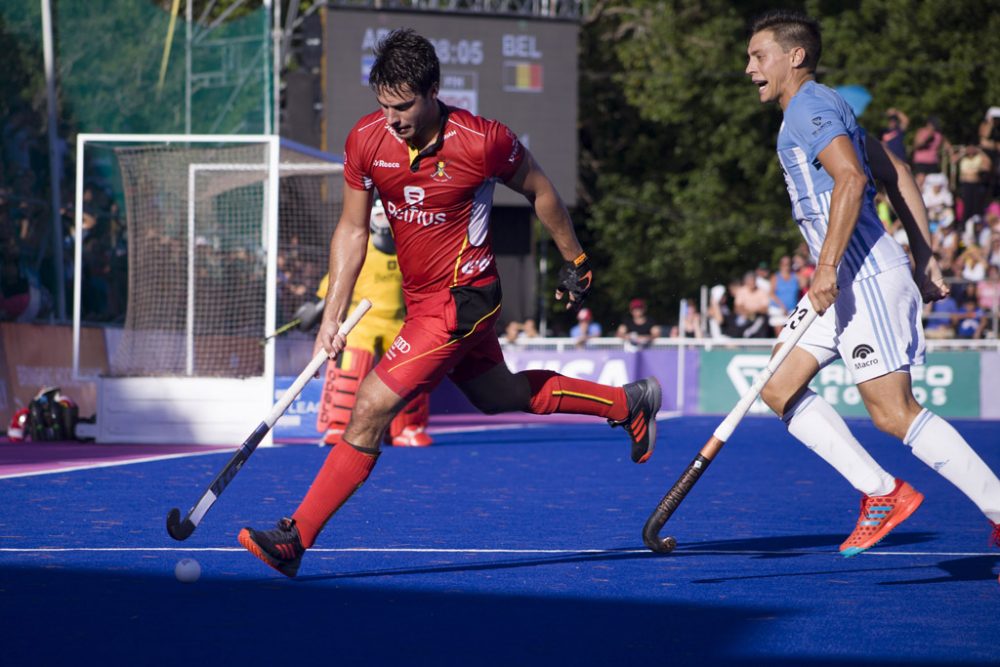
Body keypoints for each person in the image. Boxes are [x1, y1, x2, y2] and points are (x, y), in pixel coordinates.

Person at [238, 29, 662, 577]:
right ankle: (626, 403)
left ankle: (296, 538)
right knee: (497, 395)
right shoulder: (366, 140)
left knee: (369, 408)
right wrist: (334, 312)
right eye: (383, 106)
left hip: (465, 296)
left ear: (434, 89)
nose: (392, 119)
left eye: (404, 105)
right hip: (423, 302)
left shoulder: (483, 141)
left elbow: (541, 190)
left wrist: (576, 262)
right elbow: (351, 229)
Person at [745, 10, 1000, 559]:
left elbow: (855, 178)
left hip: (860, 277)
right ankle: (881, 492)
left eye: (757, 55)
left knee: (892, 413)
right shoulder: (829, 106)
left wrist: (829, 266)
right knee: (776, 387)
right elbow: (898, 172)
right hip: (842, 280)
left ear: (795, 57)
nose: (749, 69)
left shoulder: (810, 106)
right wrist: (926, 256)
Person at [314, 198, 433, 448]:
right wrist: (315, 311)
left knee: (412, 366)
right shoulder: (361, 249)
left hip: (397, 320)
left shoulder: (406, 250)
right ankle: (338, 424)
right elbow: (338, 281)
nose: (386, 224)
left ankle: (407, 426)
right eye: (380, 217)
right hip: (362, 322)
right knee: (351, 364)